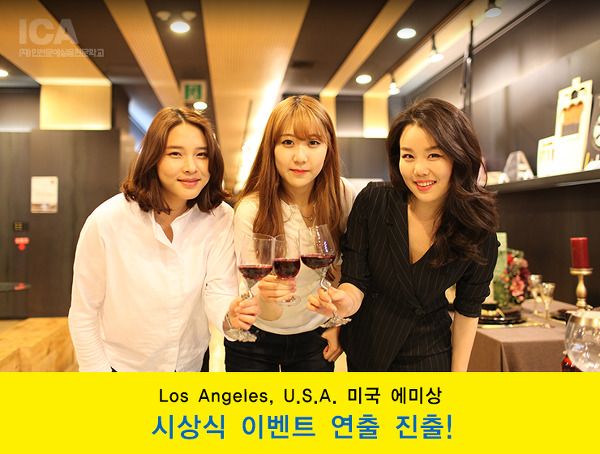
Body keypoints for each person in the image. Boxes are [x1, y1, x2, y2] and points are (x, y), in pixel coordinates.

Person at [308, 98, 499, 372]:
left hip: (429, 353)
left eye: (434, 155)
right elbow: (355, 280)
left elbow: (468, 310)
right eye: (408, 156)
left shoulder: (478, 229)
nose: (419, 170)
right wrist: (343, 304)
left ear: (458, 156)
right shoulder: (374, 202)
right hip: (368, 349)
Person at [68, 107, 258, 372]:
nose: (191, 167)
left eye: (201, 154)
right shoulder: (107, 220)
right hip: (121, 367)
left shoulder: (220, 217)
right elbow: (84, 312)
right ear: (153, 158)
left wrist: (230, 315)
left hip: (191, 365)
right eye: (175, 154)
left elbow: (218, 289)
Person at [226, 95, 356, 372]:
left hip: (315, 336)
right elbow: (262, 306)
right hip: (255, 337)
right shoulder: (251, 209)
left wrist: (337, 324)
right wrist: (267, 296)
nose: (300, 157)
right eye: (287, 142)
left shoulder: (342, 195)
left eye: (313, 143)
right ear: (271, 148)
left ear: (329, 147)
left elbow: (349, 269)